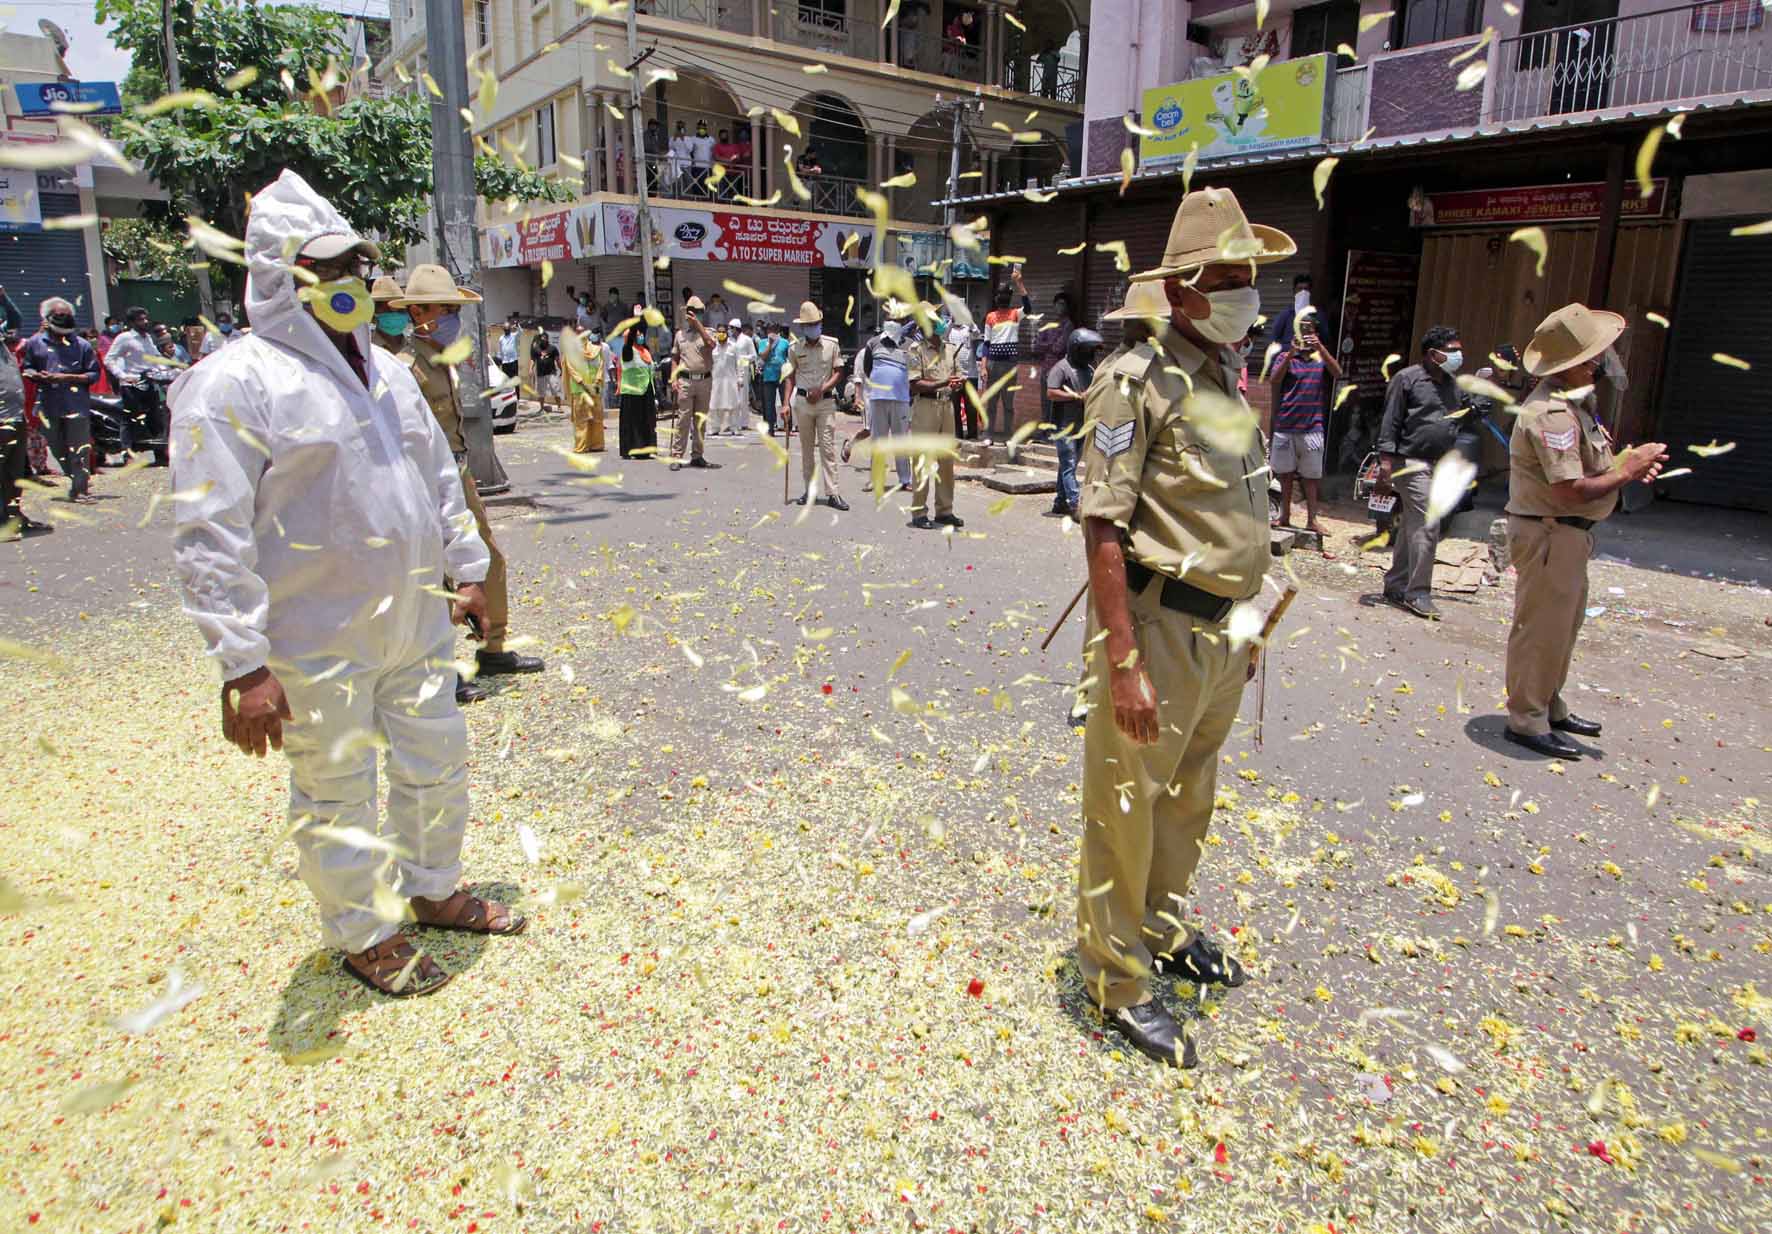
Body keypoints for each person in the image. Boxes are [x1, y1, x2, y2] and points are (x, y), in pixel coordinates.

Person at [168, 170, 525, 998]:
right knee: (336, 790)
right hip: (314, 634)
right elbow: (208, 532)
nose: (345, 287)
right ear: (277, 278)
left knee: (436, 759)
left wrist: (468, 571)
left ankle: (434, 887)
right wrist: (242, 664)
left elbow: (437, 479)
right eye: (323, 272)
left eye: (353, 271)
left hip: (414, 619)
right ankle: (364, 932)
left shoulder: (389, 372)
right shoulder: (233, 384)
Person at [1076, 187, 1293, 1066]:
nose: (1248, 292)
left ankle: (1161, 932)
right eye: (1230, 277)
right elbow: (1102, 529)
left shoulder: (1224, 383)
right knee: (1127, 807)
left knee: (1188, 796)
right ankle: (1116, 978)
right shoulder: (1135, 384)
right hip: (1157, 631)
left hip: (1226, 634)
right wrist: (1123, 660)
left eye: (1252, 275)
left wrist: (1253, 614)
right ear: (1186, 289)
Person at [1502, 304, 1666, 759]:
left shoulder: (1577, 406)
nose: (1599, 364)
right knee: (1541, 630)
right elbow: (1571, 489)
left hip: (1569, 535)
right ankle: (1526, 719)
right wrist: (1626, 471)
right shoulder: (1551, 415)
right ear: (1568, 365)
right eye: (1592, 358)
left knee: (1563, 627)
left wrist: (1624, 468)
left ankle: (1548, 705)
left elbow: (1590, 468)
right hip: (1550, 533)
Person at [392, 264, 546, 683]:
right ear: (419, 314)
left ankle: (493, 647)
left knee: (488, 558)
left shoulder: (441, 361)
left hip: (456, 474)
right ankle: (439, 667)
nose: (451, 320)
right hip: (425, 480)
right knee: (437, 571)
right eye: (446, 310)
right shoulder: (405, 368)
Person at [1376, 325, 1467, 620]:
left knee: (1413, 525)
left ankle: (1396, 584)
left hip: (1439, 463)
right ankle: (1418, 594)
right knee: (1428, 521)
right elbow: (1390, 422)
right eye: (1452, 351)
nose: (1457, 356)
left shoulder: (1452, 384)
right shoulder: (1407, 379)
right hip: (1410, 463)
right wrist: (1385, 464)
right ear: (1433, 354)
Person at [1267, 308, 1342, 534]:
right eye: (1302, 330)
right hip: (1286, 425)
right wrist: (1290, 353)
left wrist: (1320, 347)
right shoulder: (1284, 356)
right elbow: (1274, 380)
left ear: (1316, 333)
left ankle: (1312, 520)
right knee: (1286, 475)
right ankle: (1285, 517)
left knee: (1311, 478)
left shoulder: (1321, 357)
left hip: (1312, 427)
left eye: (1309, 330)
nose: (1305, 334)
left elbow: (1337, 373)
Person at [20, 298, 99, 504]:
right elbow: (27, 367)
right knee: (57, 447)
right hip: (48, 404)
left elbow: (93, 375)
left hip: (76, 405)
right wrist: (36, 375)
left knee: (79, 448)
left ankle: (81, 490)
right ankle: (75, 479)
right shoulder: (35, 343)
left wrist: (66, 378)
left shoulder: (82, 345)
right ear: (47, 319)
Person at [907, 303, 966, 530]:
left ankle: (944, 511)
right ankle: (919, 512)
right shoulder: (916, 350)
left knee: (946, 462)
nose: (940, 321)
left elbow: (959, 375)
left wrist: (959, 383)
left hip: (947, 407)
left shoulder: (950, 349)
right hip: (925, 407)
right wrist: (944, 382)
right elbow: (915, 384)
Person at [784, 300, 847, 509]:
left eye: (816, 323)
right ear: (802, 327)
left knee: (827, 448)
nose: (813, 328)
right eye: (809, 325)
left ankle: (833, 493)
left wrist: (823, 388)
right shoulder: (794, 348)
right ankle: (809, 491)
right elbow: (790, 377)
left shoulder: (832, 344)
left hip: (825, 402)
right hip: (802, 403)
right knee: (807, 449)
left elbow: (839, 372)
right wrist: (785, 404)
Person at [858, 301, 916, 493]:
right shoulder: (873, 343)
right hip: (878, 399)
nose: (893, 322)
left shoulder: (909, 345)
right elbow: (867, 368)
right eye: (889, 319)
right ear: (885, 321)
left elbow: (914, 372)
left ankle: (905, 480)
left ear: (903, 322)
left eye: (897, 319)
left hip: (901, 399)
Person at [1044, 326, 1099, 520]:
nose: (1090, 354)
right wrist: (1076, 396)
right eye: (1087, 350)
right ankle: (1075, 504)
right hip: (1063, 425)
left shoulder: (1090, 370)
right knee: (1068, 463)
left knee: (1070, 464)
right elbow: (1051, 392)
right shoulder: (1061, 368)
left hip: (1081, 424)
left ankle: (1060, 502)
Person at [104, 306, 167, 466]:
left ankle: (159, 451)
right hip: (131, 384)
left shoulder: (147, 338)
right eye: (140, 319)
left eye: (146, 318)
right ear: (132, 322)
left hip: (149, 382)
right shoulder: (124, 338)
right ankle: (128, 453)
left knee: (155, 415)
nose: (145, 322)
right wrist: (123, 376)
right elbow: (109, 359)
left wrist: (165, 369)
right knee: (130, 418)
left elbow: (155, 357)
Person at [981, 267, 1030, 444]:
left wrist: (1019, 282)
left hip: (1010, 365)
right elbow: (986, 344)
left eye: (1005, 294)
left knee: (1008, 404)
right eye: (1000, 294)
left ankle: (1009, 436)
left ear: (1009, 297)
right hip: (993, 364)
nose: (1002, 297)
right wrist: (983, 366)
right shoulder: (990, 317)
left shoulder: (1015, 314)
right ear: (996, 298)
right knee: (992, 403)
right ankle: (988, 435)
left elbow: (1029, 307)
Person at [670, 295, 716, 469]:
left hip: (704, 381)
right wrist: (674, 378)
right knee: (683, 419)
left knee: (700, 421)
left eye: (697, 313)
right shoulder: (680, 335)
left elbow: (711, 345)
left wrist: (699, 326)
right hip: (686, 381)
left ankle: (697, 455)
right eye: (691, 313)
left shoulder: (708, 332)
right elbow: (675, 358)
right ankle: (676, 455)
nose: (693, 315)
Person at [0, 337, 37, 537]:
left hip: (15, 417)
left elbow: (14, 319)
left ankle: (14, 517)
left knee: (13, 474)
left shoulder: (4, 349)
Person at [1034, 290, 1075, 441]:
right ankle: (1045, 431)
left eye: (1062, 304)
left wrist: (1047, 345)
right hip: (1045, 368)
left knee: (1054, 403)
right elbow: (1037, 346)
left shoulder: (1068, 325)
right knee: (1045, 403)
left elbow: (1060, 348)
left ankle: (1053, 432)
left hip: (1058, 370)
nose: (1059, 307)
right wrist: (1048, 345)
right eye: (1057, 304)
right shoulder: (1049, 325)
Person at [617, 321, 658, 459]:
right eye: (638, 334)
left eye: (642, 334)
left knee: (647, 420)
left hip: (646, 390)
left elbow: (649, 369)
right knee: (633, 422)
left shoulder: (644, 350)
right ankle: (632, 449)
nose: (641, 336)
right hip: (632, 392)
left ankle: (646, 449)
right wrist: (636, 319)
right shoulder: (627, 350)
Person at [945, 310, 982, 440]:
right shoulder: (948, 329)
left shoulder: (968, 329)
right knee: (954, 407)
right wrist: (950, 322)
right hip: (954, 374)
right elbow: (942, 336)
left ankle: (972, 436)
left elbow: (977, 334)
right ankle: (957, 435)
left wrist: (969, 320)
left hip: (970, 374)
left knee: (971, 407)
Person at [1265, 273, 1314, 352]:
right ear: (1294, 291)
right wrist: (1291, 348)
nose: (1303, 292)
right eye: (1300, 289)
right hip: (1288, 359)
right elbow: (1273, 341)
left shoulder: (1318, 315)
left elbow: (1325, 342)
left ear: (1310, 292)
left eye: (1306, 289)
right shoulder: (1285, 315)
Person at [757, 320, 790, 433]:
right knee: (769, 404)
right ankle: (769, 428)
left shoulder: (785, 342)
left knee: (785, 401)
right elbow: (763, 357)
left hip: (782, 376)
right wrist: (770, 345)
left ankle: (788, 426)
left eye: (774, 330)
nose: (772, 332)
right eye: (769, 330)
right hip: (768, 376)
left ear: (778, 331)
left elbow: (788, 358)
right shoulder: (762, 342)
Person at [369, 275, 410, 352]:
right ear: (374, 311)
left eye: (399, 308)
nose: (394, 312)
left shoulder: (414, 345)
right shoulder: (367, 349)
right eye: (387, 308)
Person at [531, 329, 564, 409]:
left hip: (551, 372)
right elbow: (533, 360)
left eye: (544, 338)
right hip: (540, 373)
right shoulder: (536, 349)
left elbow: (557, 360)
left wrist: (561, 369)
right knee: (541, 392)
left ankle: (559, 407)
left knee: (555, 390)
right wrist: (530, 369)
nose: (543, 340)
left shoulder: (553, 348)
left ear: (547, 339)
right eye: (542, 339)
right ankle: (541, 408)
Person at [689, 120, 715, 197]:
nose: (702, 129)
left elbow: (714, 153)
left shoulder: (711, 139)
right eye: (700, 127)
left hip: (708, 167)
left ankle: (707, 203)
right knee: (697, 187)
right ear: (697, 128)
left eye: (704, 127)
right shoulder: (693, 139)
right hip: (696, 167)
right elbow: (690, 152)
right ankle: (697, 202)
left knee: (707, 188)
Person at [669, 121, 694, 196]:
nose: (680, 129)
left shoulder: (688, 138)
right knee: (678, 183)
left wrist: (683, 139)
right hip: (677, 165)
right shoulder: (672, 138)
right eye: (678, 127)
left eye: (681, 127)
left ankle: (689, 199)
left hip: (687, 164)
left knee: (688, 182)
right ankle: (677, 197)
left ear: (684, 128)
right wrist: (674, 138)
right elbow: (671, 148)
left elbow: (690, 149)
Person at [495, 317, 521, 382]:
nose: (507, 331)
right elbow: (500, 350)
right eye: (505, 330)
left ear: (510, 329)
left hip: (513, 361)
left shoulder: (514, 336)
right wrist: (499, 360)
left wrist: (517, 326)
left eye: (508, 329)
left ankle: (516, 392)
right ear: (504, 330)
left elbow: (520, 332)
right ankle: (508, 391)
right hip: (505, 362)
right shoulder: (501, 338)